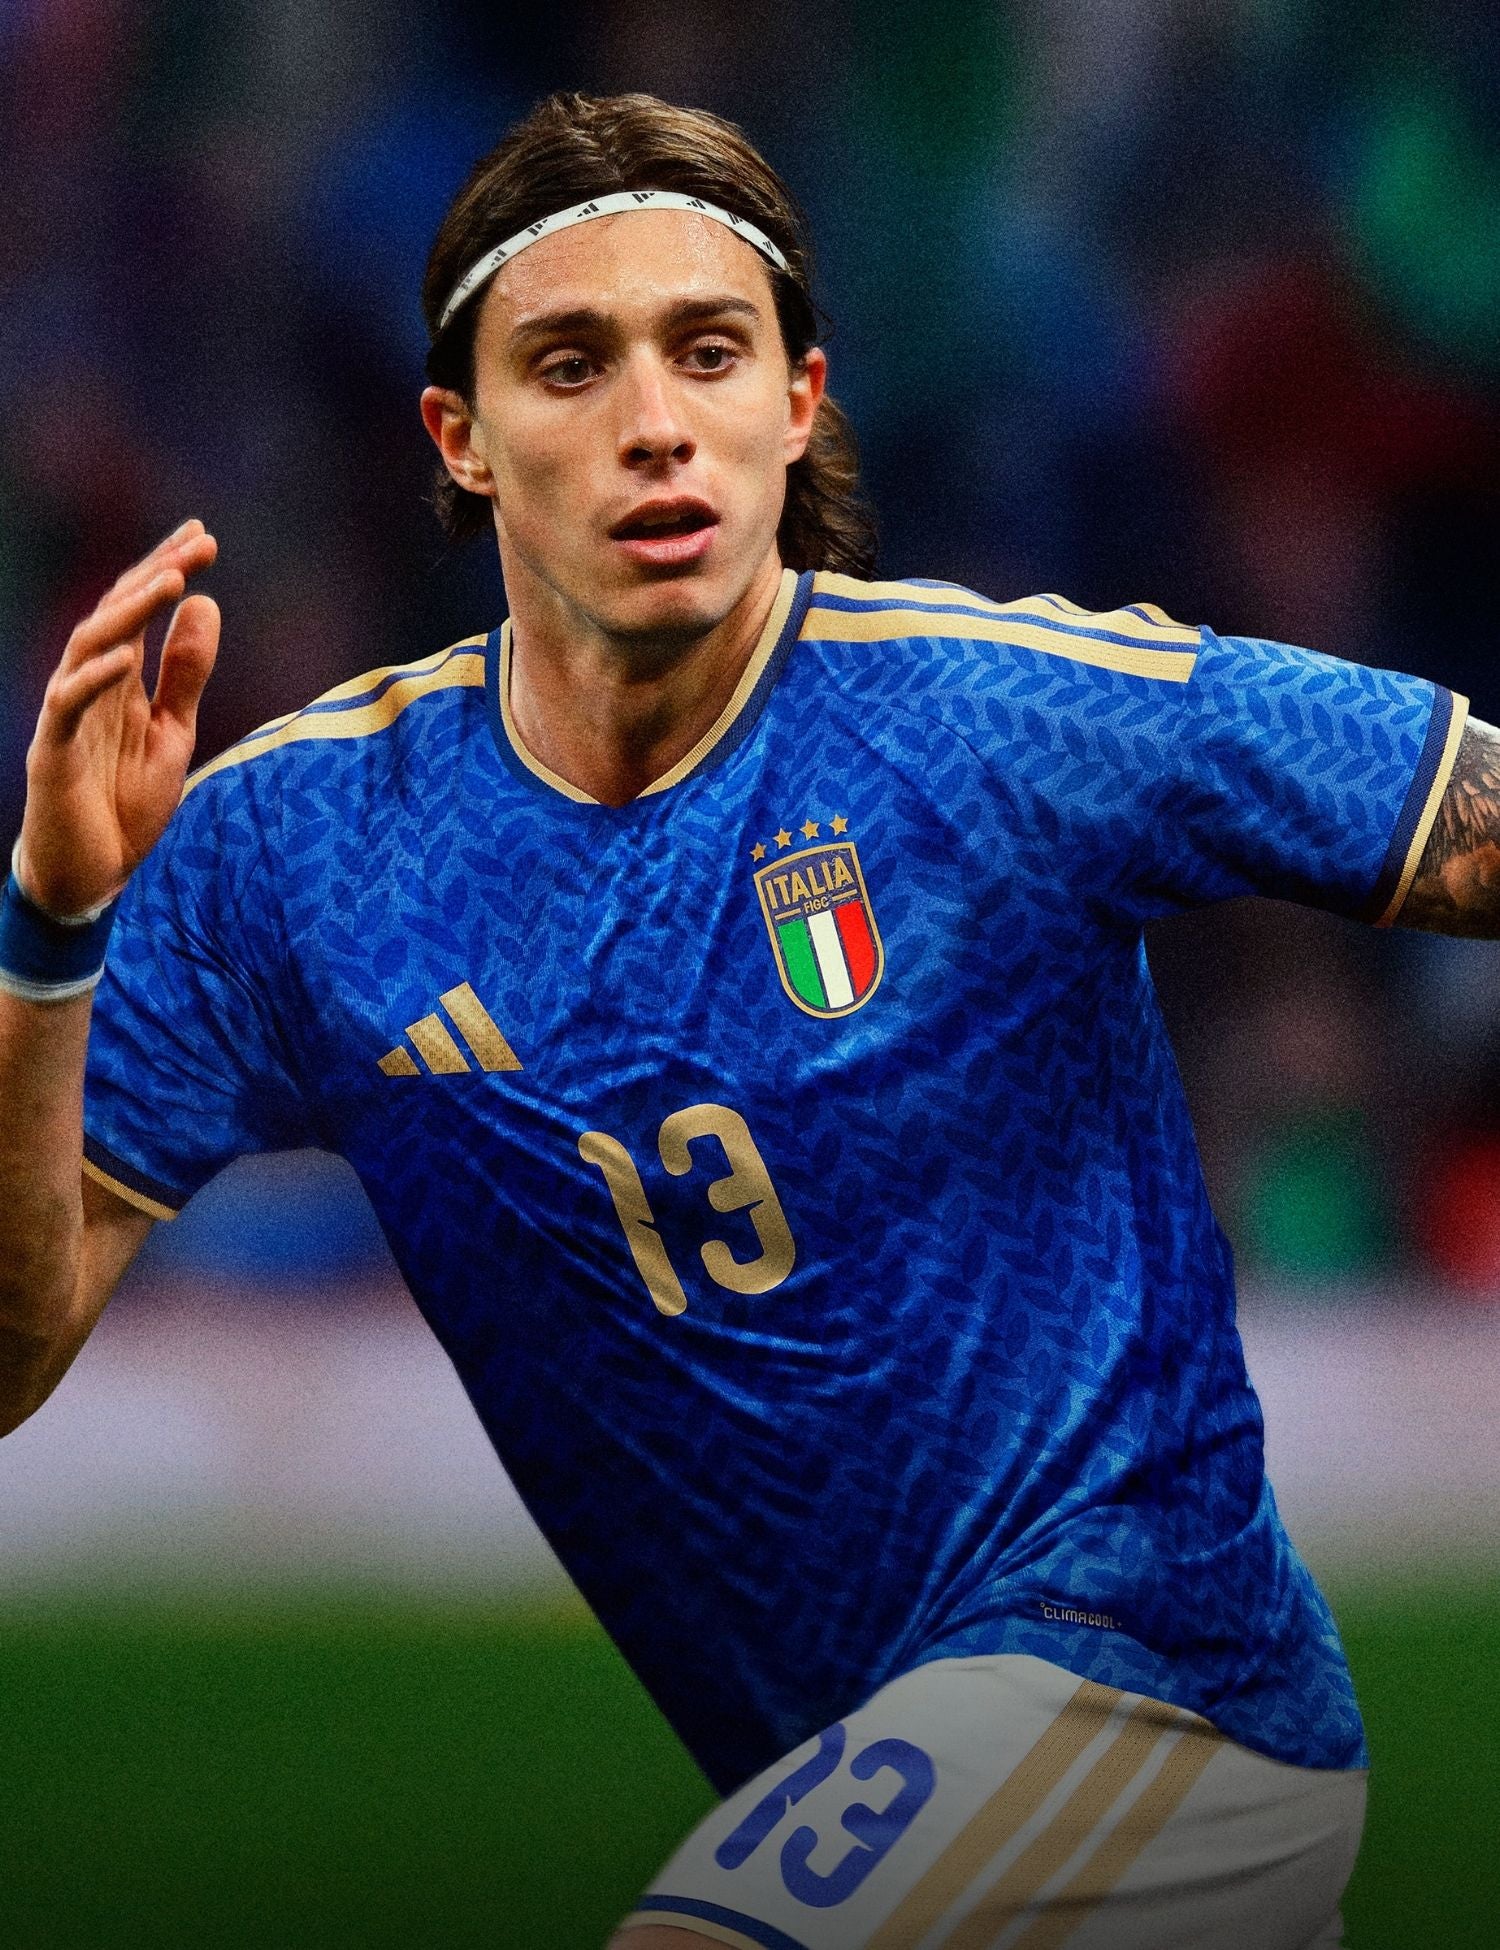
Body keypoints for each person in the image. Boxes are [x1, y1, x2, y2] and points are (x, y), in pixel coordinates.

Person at [0, 90, 1494, 1950]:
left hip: (1164, 1699)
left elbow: (1465, 812)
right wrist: (57, 923)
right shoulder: (291, 854)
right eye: (572, 363)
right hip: (901, 1803)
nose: (653, 424)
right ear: (460, 441)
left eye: (709, 353)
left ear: (795, 403)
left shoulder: (993, 719)